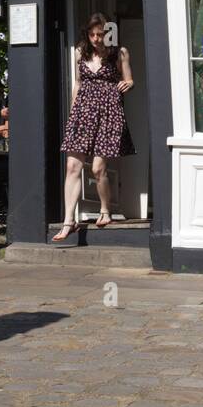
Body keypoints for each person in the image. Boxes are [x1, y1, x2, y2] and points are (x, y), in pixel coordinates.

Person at [52, 13, 134, 241]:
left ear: (108, 34)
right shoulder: (81, 52)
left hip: (108, 112)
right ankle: (69, 220)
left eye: (100, 34)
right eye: (92, 34)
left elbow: (129, 79)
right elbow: (78, 83)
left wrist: (127, 84)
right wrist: (72, 114)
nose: (96, 39)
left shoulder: (120, 53)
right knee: (72, 167)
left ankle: (105, 209)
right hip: (83, 112)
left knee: (98, 168)